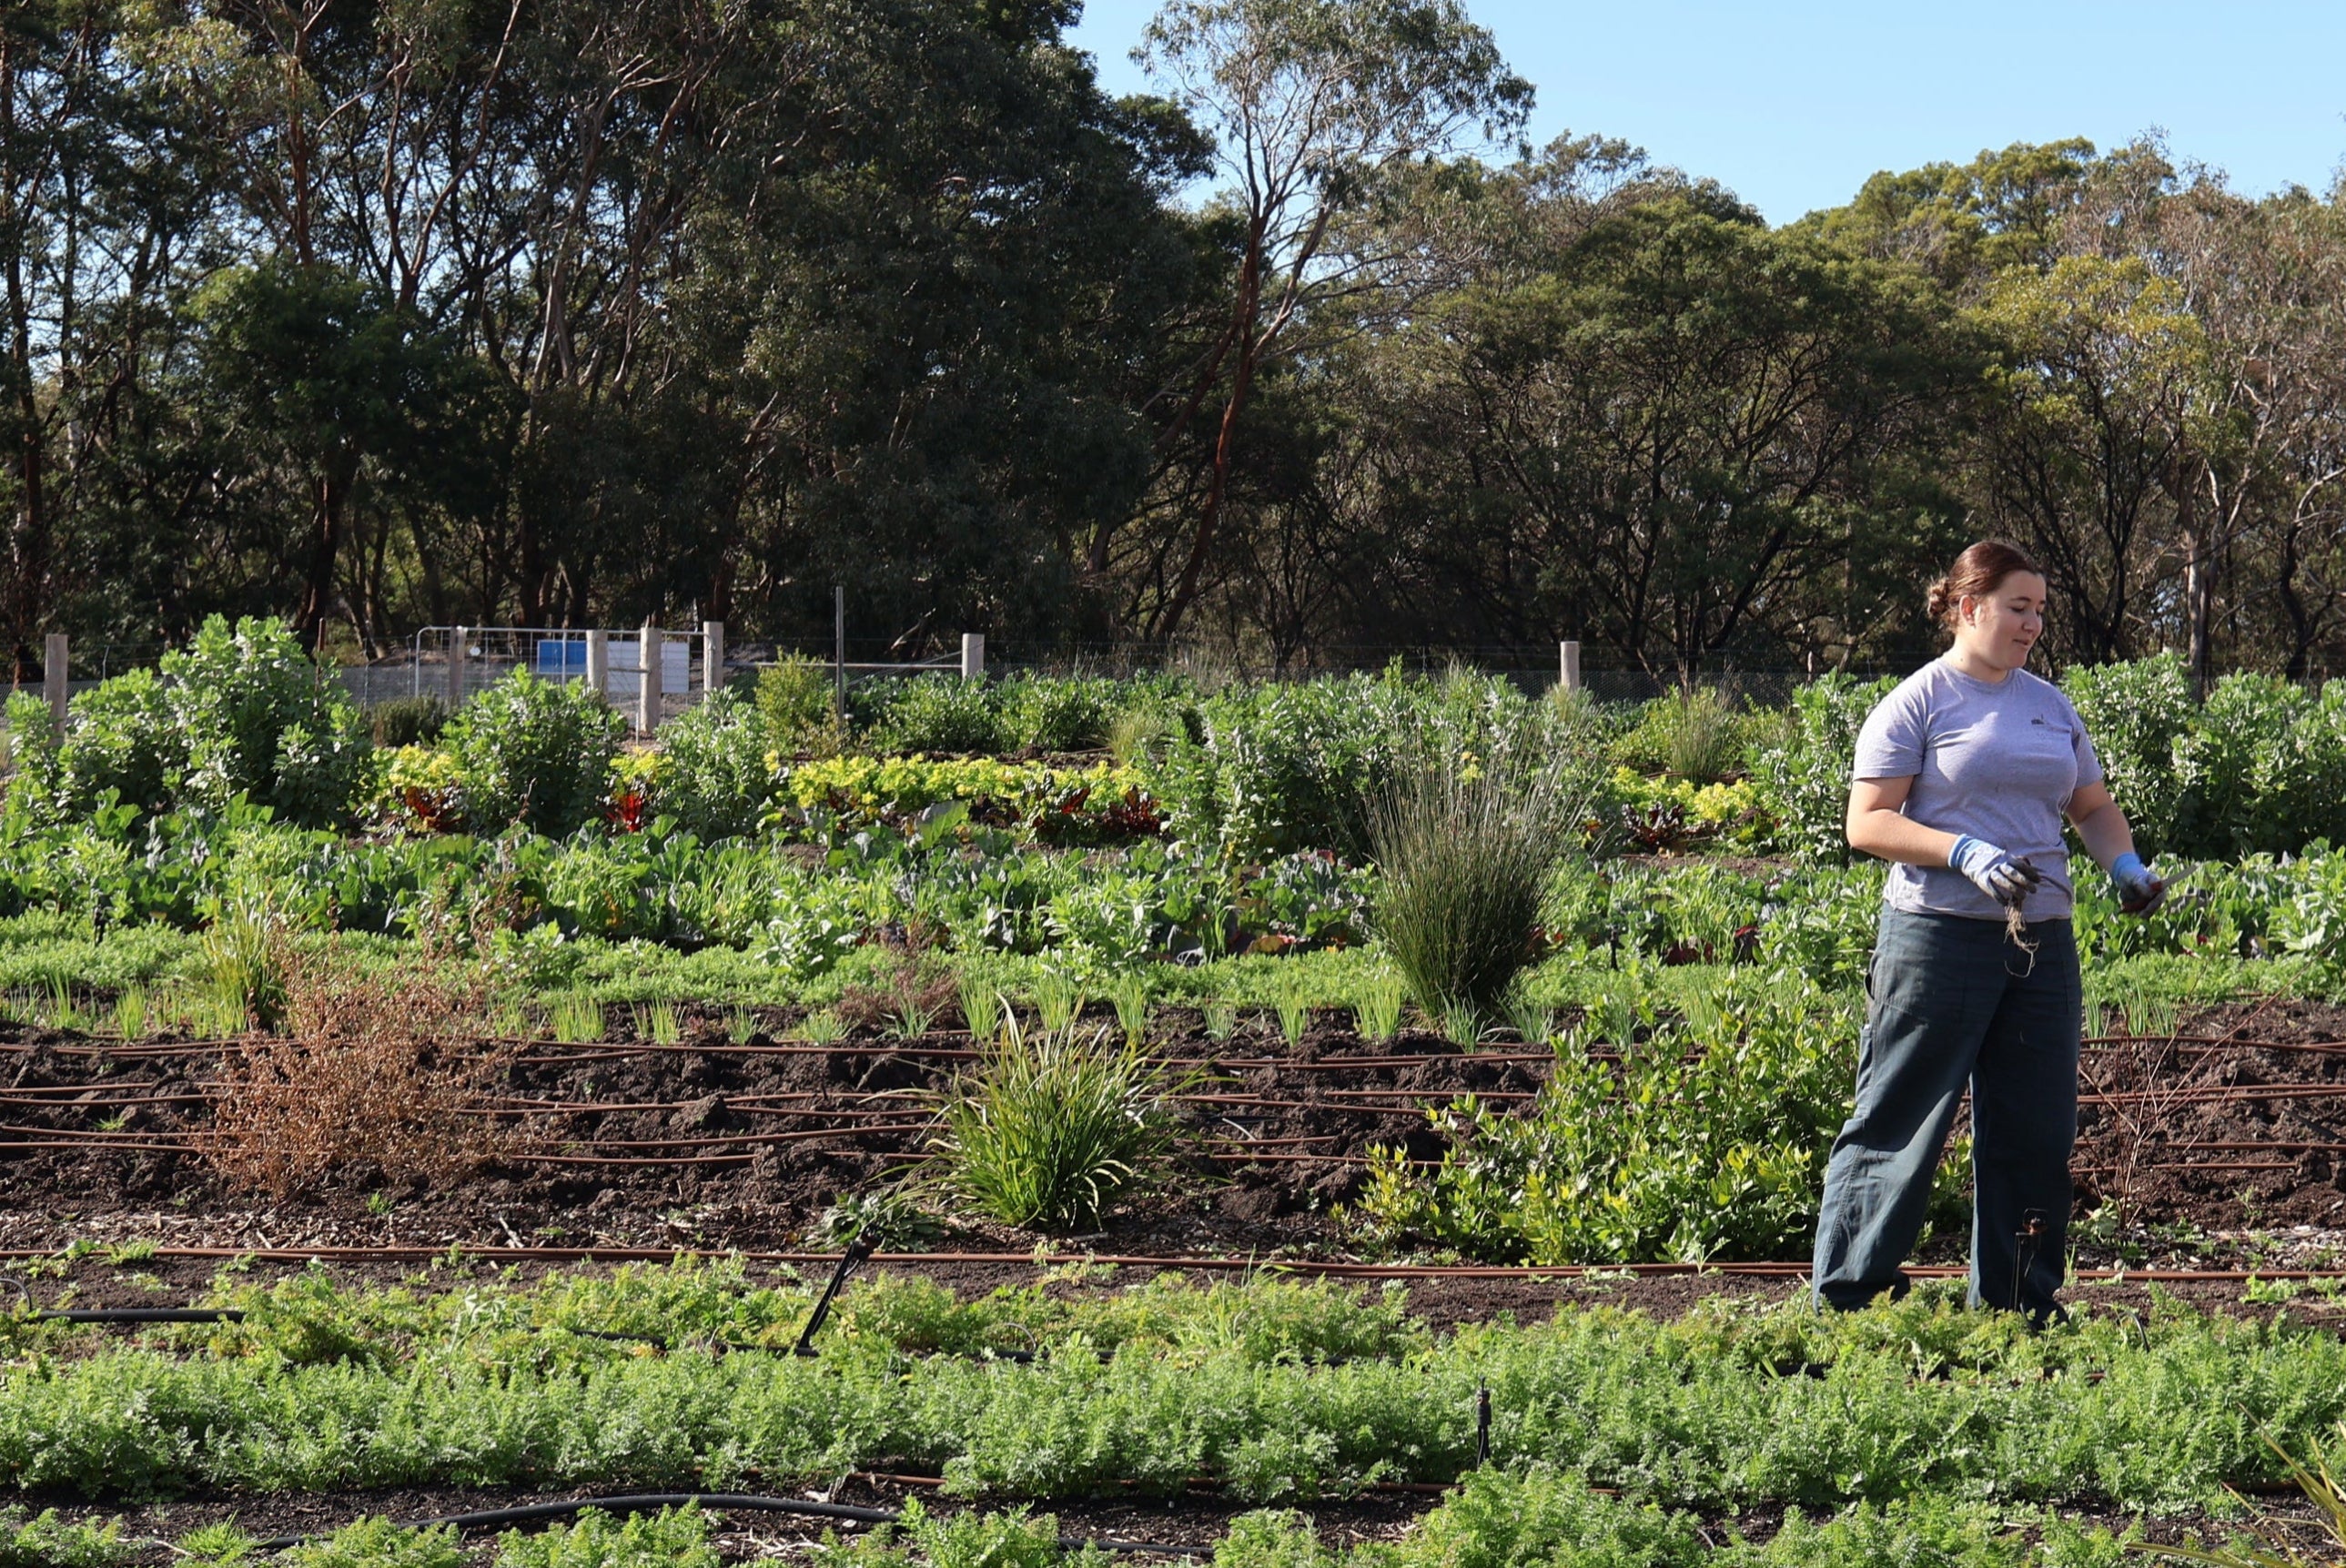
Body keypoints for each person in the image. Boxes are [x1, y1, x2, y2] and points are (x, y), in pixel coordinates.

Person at [1811, 540, 2166, 1319]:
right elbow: (1866, 823)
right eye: (2018, 607)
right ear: (1968, 608)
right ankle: (1848, 1302)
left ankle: (2018, 1307)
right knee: (1899, 1118)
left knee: (2034, 1130)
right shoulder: (1919, 701)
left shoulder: (2049, 705)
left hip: (2041, 941)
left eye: (2039, 609)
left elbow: (2092, 807)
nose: (2033, 623)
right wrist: (1960, 851)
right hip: (1937, 937)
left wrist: (2125, 866)